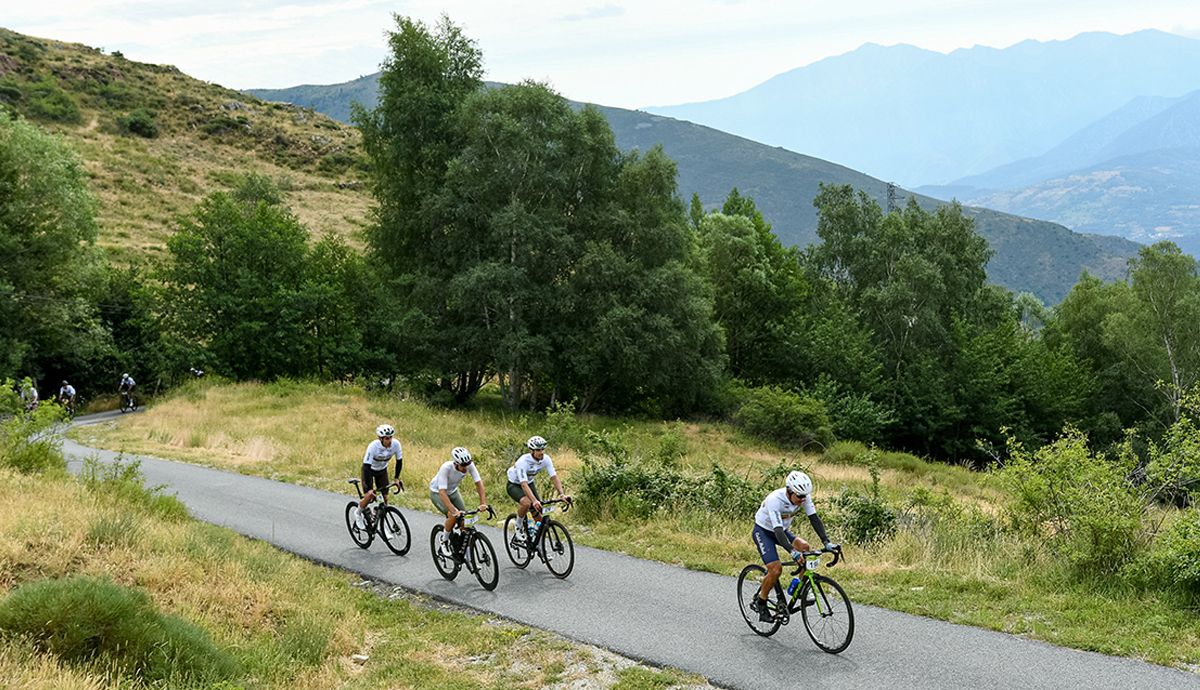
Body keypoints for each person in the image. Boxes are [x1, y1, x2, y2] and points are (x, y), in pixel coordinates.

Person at [749, 471, 839, 623]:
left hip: (782, 531)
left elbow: (814, 518)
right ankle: (761, 601)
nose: (803, 499)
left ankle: (800, 589)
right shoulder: (775, 500)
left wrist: (826, 542)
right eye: (800, 496)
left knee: (805, 547)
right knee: (775, 569)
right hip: (764, 531)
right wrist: (792, 552)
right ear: (789, 491)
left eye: (805, 496)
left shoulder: (802, 496)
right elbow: (777, 531)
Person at [506, 435, 571, 542]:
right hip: (514, 484)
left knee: (539, 517)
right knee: (527, 503)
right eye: (538, 450)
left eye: (543, 449)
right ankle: (518, 526)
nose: (541, 452)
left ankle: (538, 545)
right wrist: (534, 500)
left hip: (529, 483)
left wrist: (562, 494)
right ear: (532, 450)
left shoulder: (546, 459)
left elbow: (554, 477)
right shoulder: (523, 462)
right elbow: (523, 484)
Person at [429, 447, 489, 556]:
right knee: (452, 515)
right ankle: (444, 540)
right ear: (456, 464)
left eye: (467, 464)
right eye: (463, 465)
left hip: (453, 492)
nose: (466, 468)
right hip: (437, 493)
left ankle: (465, 553)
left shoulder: (469, 465)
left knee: (465, 521)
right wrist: (454, 511)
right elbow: (442, 492)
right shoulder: (446, 468)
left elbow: (479, 483)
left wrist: (483, 503)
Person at [356, 424, 402, 528]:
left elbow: (399, 462)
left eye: (391, 437)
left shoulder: (396, 444)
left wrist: (396, 478)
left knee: (385, 498)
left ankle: (379, 518)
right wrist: (369, 489)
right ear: (380, 439)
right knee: (369, 496)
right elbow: (366, 467)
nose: (389, 441)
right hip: (369, 471)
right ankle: (358, 513)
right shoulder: (373, 446)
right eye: (387, 438)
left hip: (382, 471)